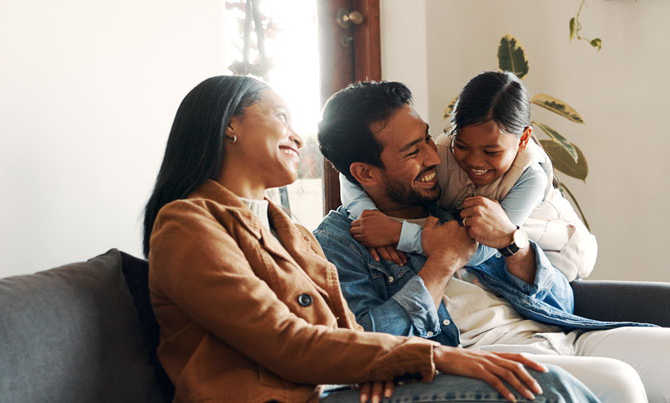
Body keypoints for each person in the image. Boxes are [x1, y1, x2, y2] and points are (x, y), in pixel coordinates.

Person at [142, 75, 598, 403]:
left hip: (337, 386)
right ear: (230, 125)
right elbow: (287, 342)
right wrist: (431, 356)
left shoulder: (288, 231)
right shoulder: (188, 225)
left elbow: (349, 334)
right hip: (292, 395)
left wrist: (380, 366)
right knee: (549, 389)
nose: (297, 137)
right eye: (281, 117)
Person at [313, 80, 670, 403]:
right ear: (365, 173)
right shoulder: (337, 246)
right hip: (479, 355)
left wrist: (512, 243)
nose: (434, 157)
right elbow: (362, 343)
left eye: (428, 138)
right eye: (413, 152)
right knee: (619, 383)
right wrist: (439, 264)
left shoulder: (452, 203)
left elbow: (562, 305)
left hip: (556, 335)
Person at [340, 71, 596, 281]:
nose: (474, 161)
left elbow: (481, 248)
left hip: (557, 249)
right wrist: (367, 217)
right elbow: (351, 171)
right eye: (462, 146)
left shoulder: (531, 176)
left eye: (491, 151)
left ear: (523, 139)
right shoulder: (438, 153)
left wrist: (397, 233)